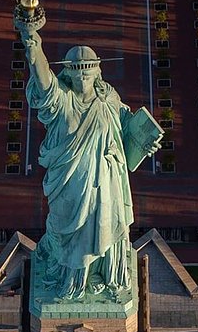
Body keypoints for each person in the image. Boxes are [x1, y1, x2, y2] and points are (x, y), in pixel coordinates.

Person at [17, 25, 158, 300]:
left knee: (107, 226)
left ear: (97, 70)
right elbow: (44, 81)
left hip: (107, 182)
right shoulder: (61, 101)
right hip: (70, 185)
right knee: (68, 232)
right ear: (67, 71)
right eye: (77, 69)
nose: (83, 74)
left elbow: (126, 127)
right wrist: (34, 46)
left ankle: (107, 274)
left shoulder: (108, 98)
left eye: (88, 68)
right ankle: (72, 283)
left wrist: (145, 142)